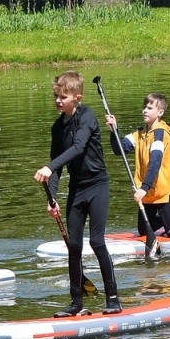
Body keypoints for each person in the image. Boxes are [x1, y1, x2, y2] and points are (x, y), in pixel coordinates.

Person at [34, 71, 122, 316]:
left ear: (77, 97)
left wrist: (48, 167)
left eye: (63, 97)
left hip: (97, 186)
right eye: (56, 96)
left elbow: (78, 147)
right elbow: (56, 166)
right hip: (77, 189)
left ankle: (113, 299)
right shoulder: (57, 128)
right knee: (74, 246)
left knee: (96, 242)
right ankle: (76, 304)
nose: (58, 101)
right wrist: (51, 199)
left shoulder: (87, 116)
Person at [105, 92, 170, 254]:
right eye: (144, 107)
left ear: (160, 112)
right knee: (143, 230)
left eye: (150, 108)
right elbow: (119, 150)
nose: (145, 110)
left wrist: (144, 188)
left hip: (164, 190)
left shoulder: (160, 134)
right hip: (148, 191)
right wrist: (113, 131)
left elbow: (155, 162)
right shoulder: (139, 134)